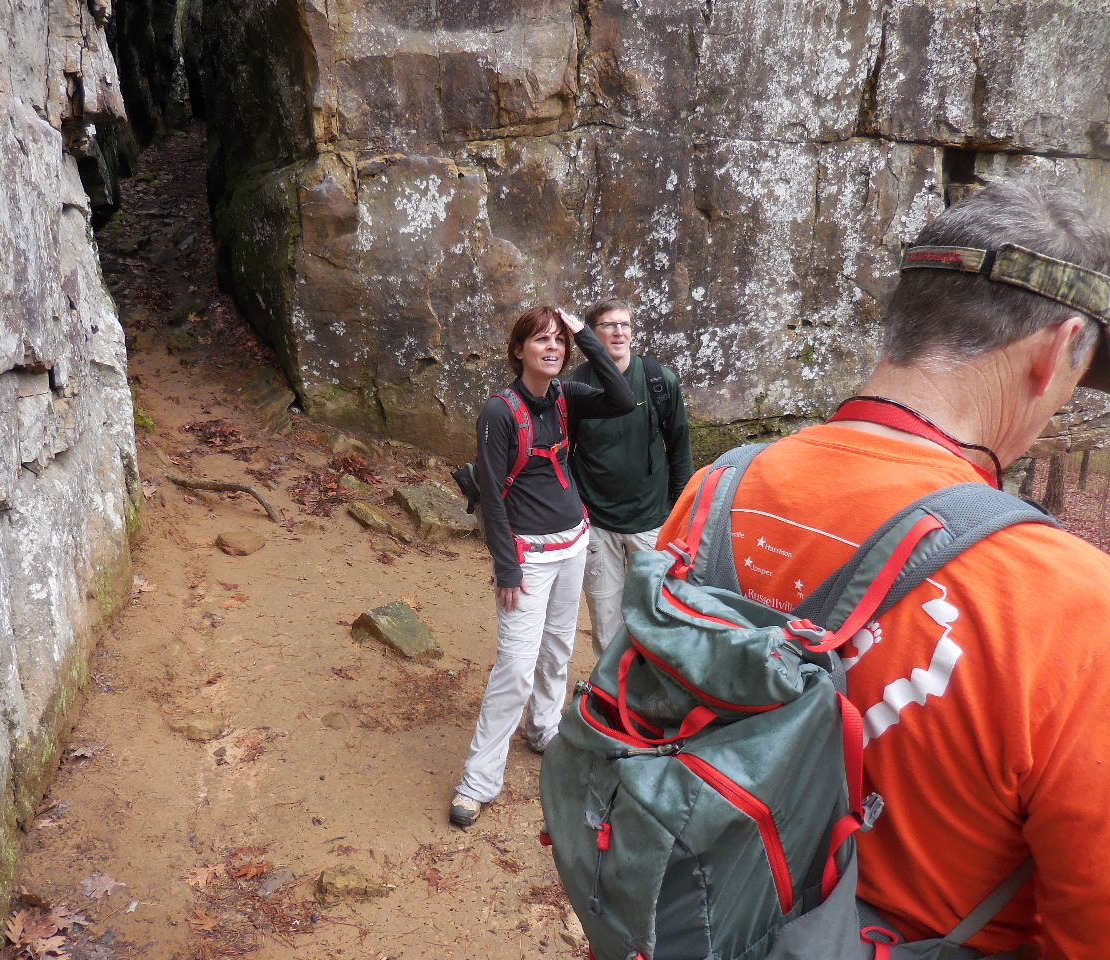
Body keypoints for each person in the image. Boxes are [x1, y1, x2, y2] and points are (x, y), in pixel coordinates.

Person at [656, 178, 1110, 958]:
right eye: (1079, 373)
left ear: (904, 318)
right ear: (1055, 349)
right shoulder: (1072, 606)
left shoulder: (716, 495)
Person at [451, 305, 635, 827]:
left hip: (573, 543)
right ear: (519, 350)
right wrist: (507, 569)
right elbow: (491, 495)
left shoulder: (565, 395)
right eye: (540, 340)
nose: (552, 348)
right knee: (515, 666)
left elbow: (622, 399)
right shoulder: (499, 411)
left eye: (558, 341)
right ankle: (478, 781)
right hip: (527, 556)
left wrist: (587, 335)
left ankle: (544, 729)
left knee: (557, 648)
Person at [568, 298, 693, 656]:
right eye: (609, 325)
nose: (619, 332)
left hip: (651, 518)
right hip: (597, 520)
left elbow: (679, 445)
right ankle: (608, 683)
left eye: (625, 324)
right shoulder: (577, 385)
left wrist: (681, 509)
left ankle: (650, 680)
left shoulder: (658, 381)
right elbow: (564, 451)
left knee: (655, 609)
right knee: (605, 613)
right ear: (592, 334)